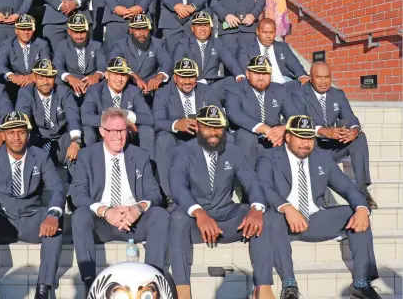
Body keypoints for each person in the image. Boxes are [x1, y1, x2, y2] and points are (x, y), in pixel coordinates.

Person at [256, 115, 380, 299]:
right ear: (288, 137)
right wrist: (287, 208)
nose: (306, 143)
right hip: (283, 223)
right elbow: (264, 187)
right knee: (271, 217)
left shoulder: (322, 157)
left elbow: (346, 186)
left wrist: (362, 208)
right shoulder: (269, 156)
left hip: (315, 218)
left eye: (309, 138)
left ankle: (361, 283)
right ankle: (289, 286)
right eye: (300, 137)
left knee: (356, 213)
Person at [169, 105, 273, 299]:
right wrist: (199, 213)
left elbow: (252, 182)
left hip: (225, 216)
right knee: (176, 218)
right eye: (208, 127)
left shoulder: (234, 151)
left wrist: (257, 207)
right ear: (198, 127)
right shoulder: (183, 152)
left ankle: (263, 288)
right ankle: (182, 291)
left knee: (260, 217)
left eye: (218, 127)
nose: (214, 132)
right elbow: (178, 188)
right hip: (195, 223)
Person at [70, 107, 170, 294]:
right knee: (80, 216)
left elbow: (154, 194)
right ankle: (90, 284)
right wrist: (106, 212)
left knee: (160, 215)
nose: (118, 136)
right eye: (113, 131)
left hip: (134, 221)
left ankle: (153, 279)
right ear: (102, 132)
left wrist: (137, 209)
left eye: (122, 130)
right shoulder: (87, 156)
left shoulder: (140, 155)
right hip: (103, 223)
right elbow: (78, 194)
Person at [0, 111, 66, 299]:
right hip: (3, 218)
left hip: (32, 217)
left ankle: (43, 288)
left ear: (28, 134)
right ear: (3, 135)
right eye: (11, 133)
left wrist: (53, 214)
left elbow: (57, 188)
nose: (16, 137)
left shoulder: (40, 156)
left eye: (20, 132)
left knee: (55, 226)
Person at [291, 62, 376, 208]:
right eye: (319, 77)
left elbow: (351, 118)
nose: (323, 81)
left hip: (333, 146)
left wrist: (353, 131)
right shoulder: (299, 94)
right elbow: (297, 122)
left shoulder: (338, 94)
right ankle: (317, 195)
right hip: (313, 146)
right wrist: (323, 131)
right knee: (308, 144)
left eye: (327, 77)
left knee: (360, 138)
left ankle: (362, 191)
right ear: (310, 78)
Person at [152, 59, 220, 203]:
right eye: (183, 77)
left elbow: (220, 116)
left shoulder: (206, 90)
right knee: (163, 139)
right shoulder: (163, 93)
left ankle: (217, 194)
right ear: (175, 78)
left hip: (201, 135)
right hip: (176, 137)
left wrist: (205, 126)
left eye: (191, 76)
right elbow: (156, 121)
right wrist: (176, 124)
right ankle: (169, 196)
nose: (188, 81)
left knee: (225, 138)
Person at [80, 57, 155, 159]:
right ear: (106, 75)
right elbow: (86, 117)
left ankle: (147, 168)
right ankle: (92, 167)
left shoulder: (134, 91)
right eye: (115, 74)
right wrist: (119, 122)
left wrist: (126, 114)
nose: (119, 79)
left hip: (128, 138)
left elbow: (149, 119)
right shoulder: (95, 90)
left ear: (128, 77)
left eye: (123, 75)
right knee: (87, 131)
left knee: (147, 131)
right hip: (104, 137)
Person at [225, 55, 296, 159]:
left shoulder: (279, 89)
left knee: (297, 136)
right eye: (257, 73)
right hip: (246, 135)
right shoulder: (234, 89)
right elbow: (234, 113)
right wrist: (264, 129)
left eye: (265, 73)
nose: (261, 78)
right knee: (246, 136)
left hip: (274, 137)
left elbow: (294, 113)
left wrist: (284, 128)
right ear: (247, 74)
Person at [15, 59, 82, 168]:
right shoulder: (25, 93)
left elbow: (72, 117)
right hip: (37, 140)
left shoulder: (63, 92)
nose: (45, 82)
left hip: (61, 139)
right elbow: (23, 120)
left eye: (49, 77)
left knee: (76, 153)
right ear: (34, 78)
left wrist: (76, 141)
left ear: (55, 78)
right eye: (41, 77)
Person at [172, 11, 244, 102]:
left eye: (205, 25)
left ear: (210, 28)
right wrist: (197, 80)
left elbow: (230, 60)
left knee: (232, 80)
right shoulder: (183, 43)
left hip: (213, 86)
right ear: (192, 28)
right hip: (192, 84)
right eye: (199, 25)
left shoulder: (217, 42)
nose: (202, 29)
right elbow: (177, 66)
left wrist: (239, 75)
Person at [238, 18, 309, 92]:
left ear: (275, 32)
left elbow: (295, 64)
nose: (268, 36)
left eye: (271, 32)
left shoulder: (283, 47)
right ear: (257, 31)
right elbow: (244, 68)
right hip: (260, 86)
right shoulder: (246, 48)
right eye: (265, 32)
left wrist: (302, 76)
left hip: (284, 85)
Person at [109, 14, 172, 96]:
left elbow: (166, 62)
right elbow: (114, 60)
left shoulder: (157, 44)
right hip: (127, 87)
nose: (142, 34)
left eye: (145, 29)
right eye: (138, 29)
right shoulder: (120, 44)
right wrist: (132, 75)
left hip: (151, 87)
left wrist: (160, 76)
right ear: (131, 30)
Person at [0, 15, 51, 100]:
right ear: (16, 30)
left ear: (33, 30)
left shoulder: (42, 44)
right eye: (22, 29)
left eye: (29, 29)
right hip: (15, 84)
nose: (26, 32)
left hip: (36, 82)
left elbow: (46, 64)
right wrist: (12, 76)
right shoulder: (7, 44)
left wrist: (33, 76)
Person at [53, 14, 106, 101]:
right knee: (58, 81)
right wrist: (69, 78)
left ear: (87, 31)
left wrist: (97, 75)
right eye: (76, 32)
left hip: (91, 83)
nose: (79, 36)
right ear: (69, 31)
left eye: (82, 32)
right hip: (70, 84)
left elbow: (102, 64)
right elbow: (57, 65)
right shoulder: (62, 45)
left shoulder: (96, 45)